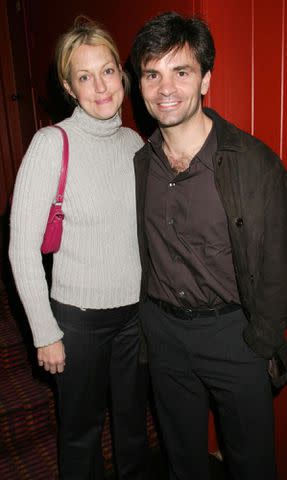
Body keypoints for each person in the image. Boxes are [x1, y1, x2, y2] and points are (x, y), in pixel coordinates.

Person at [130, 11, 287, 480]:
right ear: (140, 84)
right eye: (152, 73)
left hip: (234, 336)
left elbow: (279, 263)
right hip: (164, 335)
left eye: (181, 72)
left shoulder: (254, 164)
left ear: (205, 80)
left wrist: (261, 343)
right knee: (183, 462)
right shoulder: (139, 165)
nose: (165, 89)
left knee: (252, 464)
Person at [9, 17, 148, 480]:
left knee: (133, 427)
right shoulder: (52, 143)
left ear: (121, 74)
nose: (100, 86)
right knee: (80, 432)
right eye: (84, 76)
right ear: (69, 87)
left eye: (107, 71)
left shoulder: (135, 143)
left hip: (134, 316)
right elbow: (21, 249)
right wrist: (45, 332)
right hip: (79, 319)